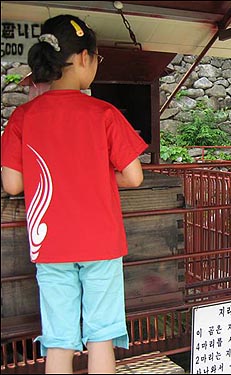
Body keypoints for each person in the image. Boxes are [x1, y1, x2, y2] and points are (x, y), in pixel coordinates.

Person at [1, 15, 147, 374]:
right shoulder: (104, 113)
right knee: (101, 337)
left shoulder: (23, 117)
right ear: (84, 58)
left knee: (59, 340)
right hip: (101, 241)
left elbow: (12, 185)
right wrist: (97, 174)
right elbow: (134, 176)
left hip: (49, 243)